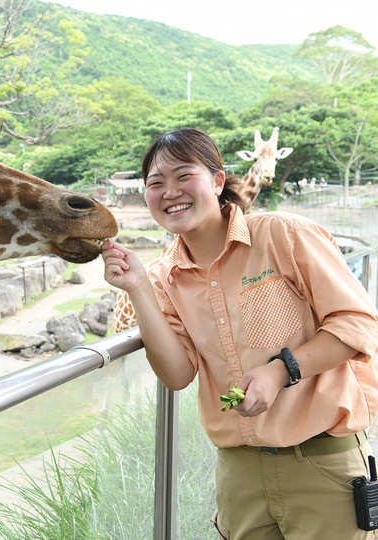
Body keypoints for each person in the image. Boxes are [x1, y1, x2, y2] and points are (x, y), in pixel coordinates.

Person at [102, 128, 378, 539]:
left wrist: (281, 370)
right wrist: (139, 286)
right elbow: (177, 374)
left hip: (322, 462)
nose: (170, 191)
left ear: (217, 181)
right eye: (155, 183)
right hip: (238, 472)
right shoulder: (163, 277)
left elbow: (358, 323)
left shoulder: (283, 235)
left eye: (183, 176)